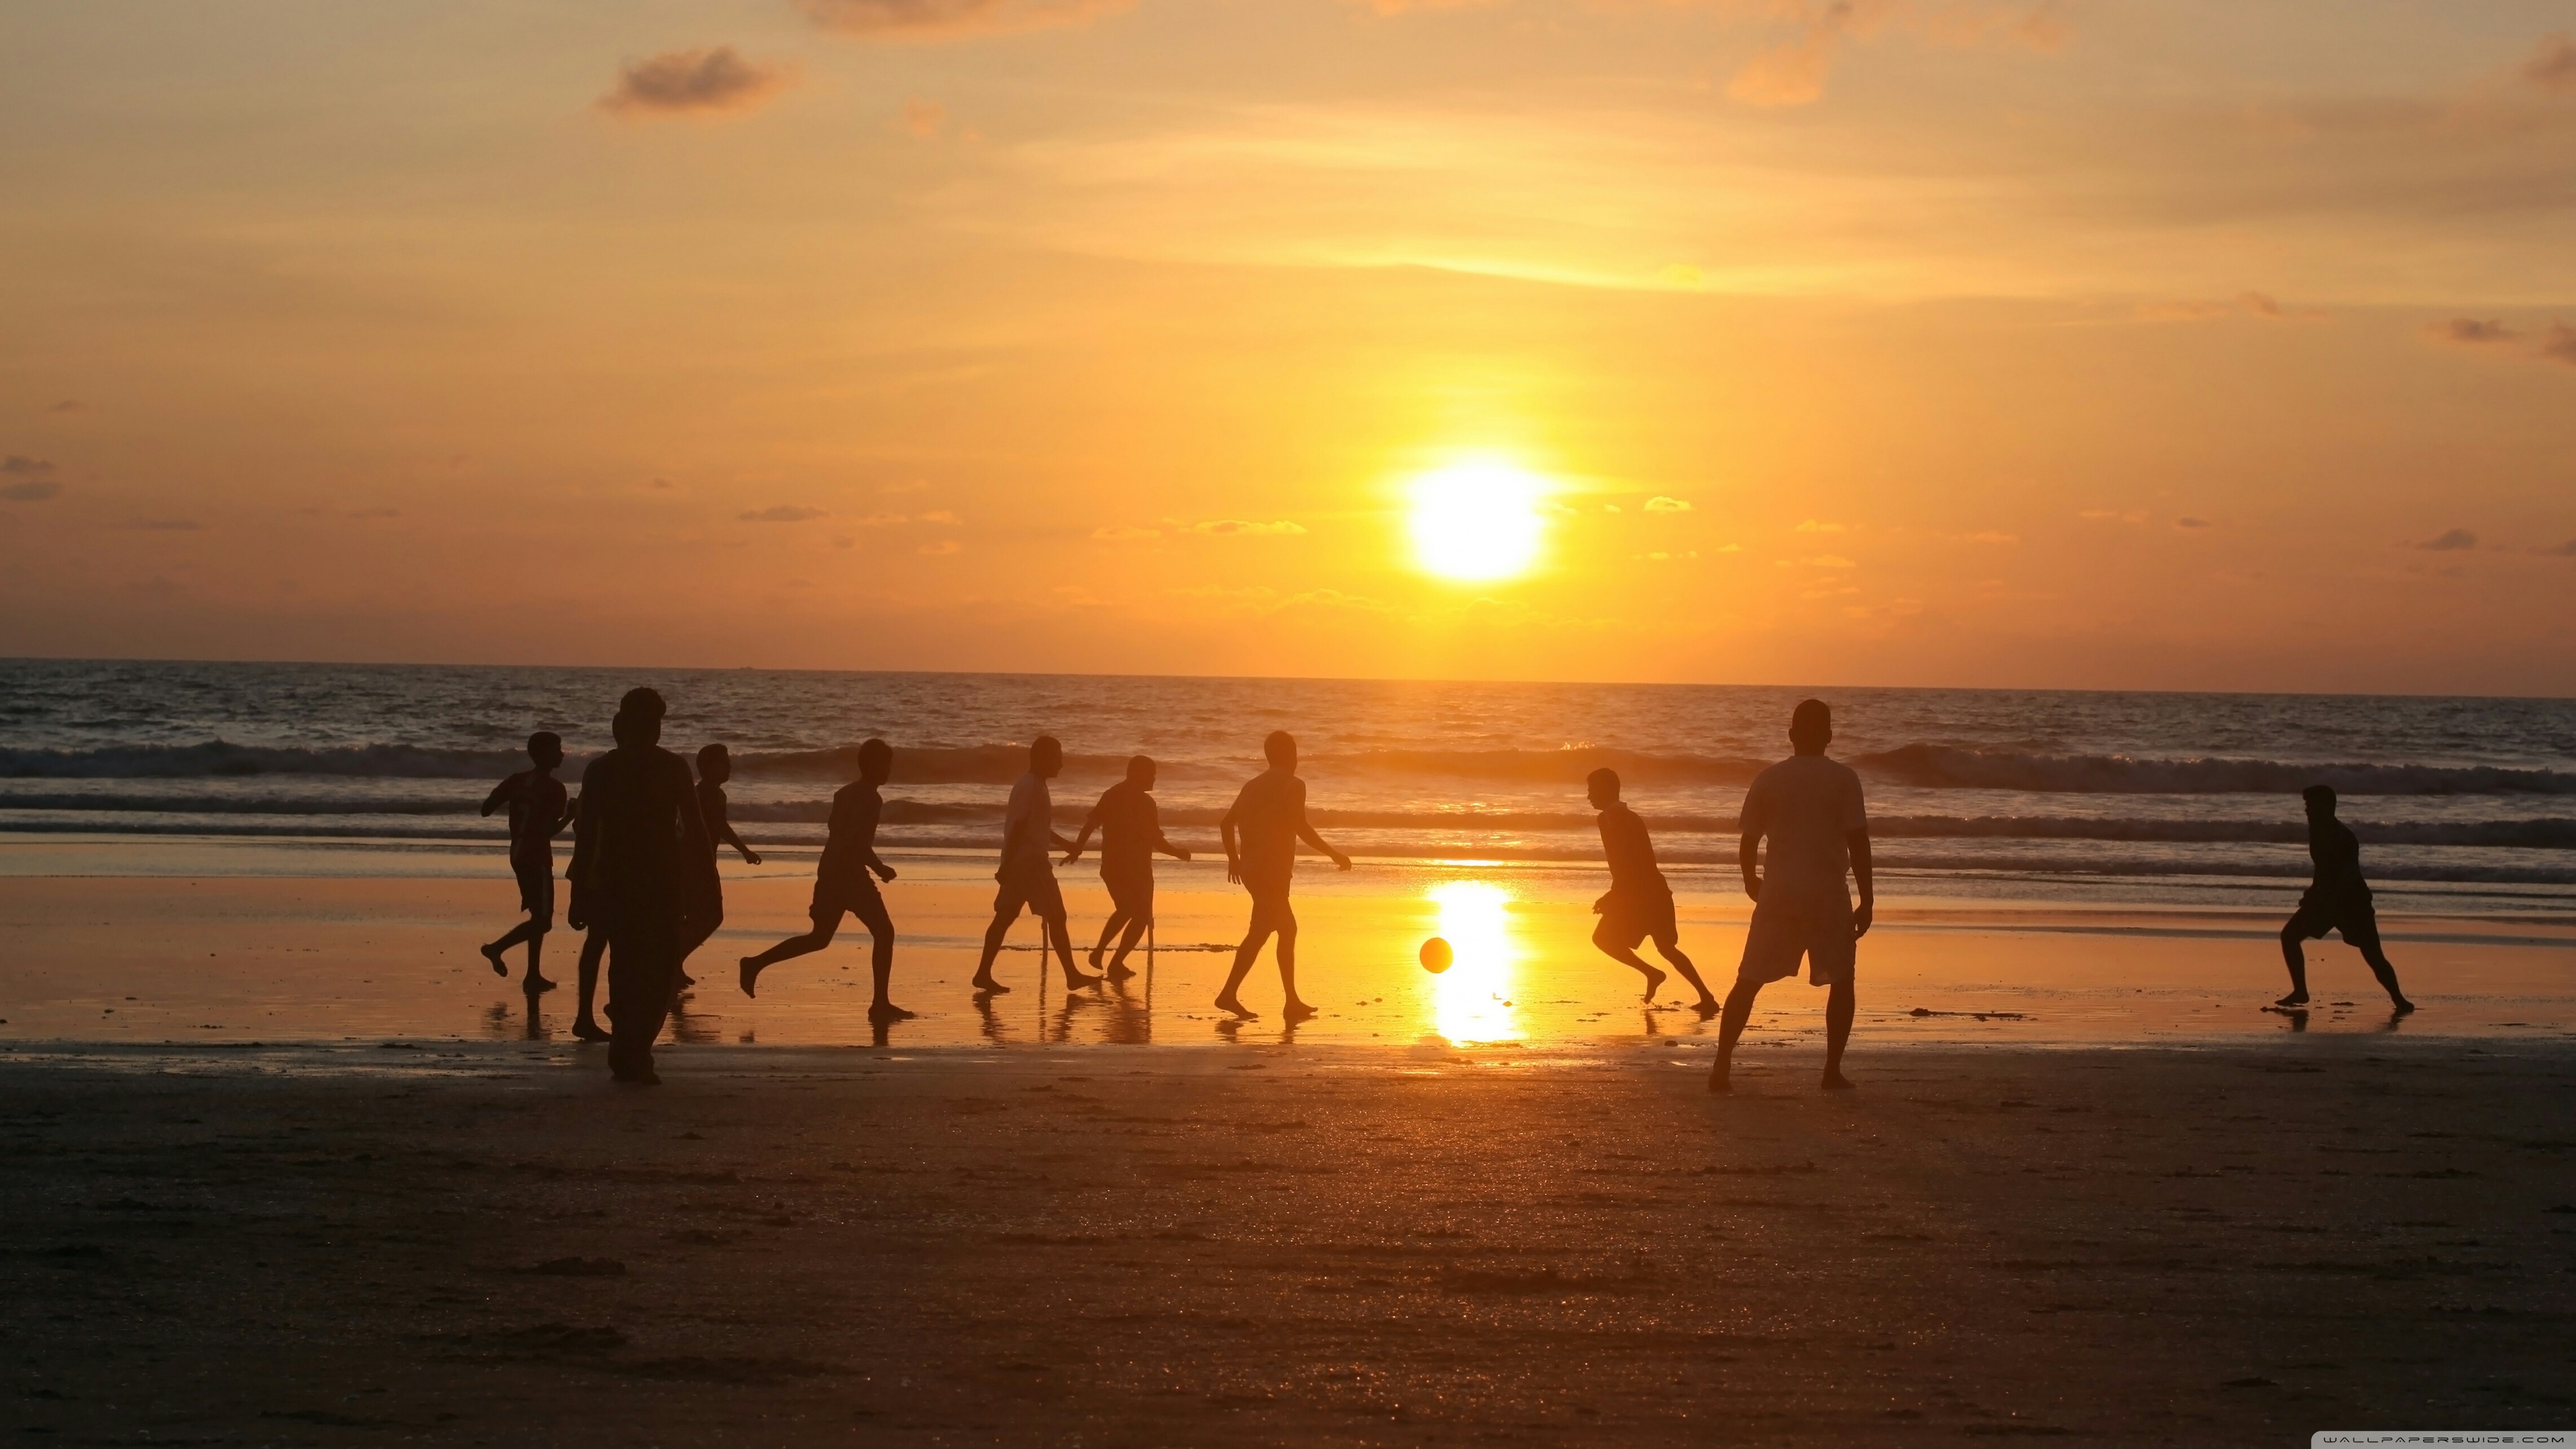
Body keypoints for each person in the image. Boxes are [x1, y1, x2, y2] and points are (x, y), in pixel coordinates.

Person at [1712, 700, 1870, 1094]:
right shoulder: (1844, 778)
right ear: (1829, 736)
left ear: (1791, 735)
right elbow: (1858, 841)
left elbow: (1749, 841)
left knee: (1748, 979)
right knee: (1842, 980)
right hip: (1826, 892)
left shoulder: (1769, 778)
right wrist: (1867, 899)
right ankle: (1831, 1071)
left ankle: (1721, 1067)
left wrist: (1751, 881)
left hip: (1779, 892)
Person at [567, 688, 712, 1085]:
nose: (654, 730)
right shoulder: (666, 768)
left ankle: (629, 1050)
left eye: (656, 722)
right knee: (652, 969)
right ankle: (633, 1051)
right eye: (651, 722)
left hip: (632, 880)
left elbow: (585, 838)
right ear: (631, 726)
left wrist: (579, 892)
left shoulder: (605, 770)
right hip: (649, 879)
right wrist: (701, 881)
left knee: (633, 966)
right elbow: (695, 833)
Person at [739, 737, 911, 1021]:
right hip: (850, 876)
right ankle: (880, 1003)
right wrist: (881, 869)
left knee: (819, 939)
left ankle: (755, 963)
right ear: (872, 765)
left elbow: (837, 834)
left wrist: (830, 876)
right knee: (884, 933)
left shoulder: (843, 793)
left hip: (830, 871)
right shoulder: (871, 798)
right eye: (886, 763)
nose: (889, 770)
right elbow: (856, 842)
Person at [1214, 731, 1350, 1021]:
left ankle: (1230, 994)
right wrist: (1334, 853)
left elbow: (1226, 824)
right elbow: (1300, 827)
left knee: (1261, 932)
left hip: (1253, 869)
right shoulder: (1293, 785)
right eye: (1295, 753)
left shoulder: (1251, 786)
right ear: (1289, 755)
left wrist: (1234, 860)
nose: (1297, 759)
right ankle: (1289, 1002)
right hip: (1272, 871)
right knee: (1286, 929)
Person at [972, 736, 1099, 995]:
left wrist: (1067, 845)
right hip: (1030, 863)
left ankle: (983, 973)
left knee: (1005, 917)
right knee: (1057, 916)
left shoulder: (1033, 785)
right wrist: (1006, 866)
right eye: (1057, 757)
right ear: (1042, 758)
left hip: (1019, 861)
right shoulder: (1031, 786)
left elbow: (1035, 826)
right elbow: (1019, 827)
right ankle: (1072, 975)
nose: (1061, 764)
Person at [1587, 767, 1718, 1011]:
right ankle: (1698, 993)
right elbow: (1627, 865)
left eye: (1592, 790)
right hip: (1646, 893)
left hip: (1643, 895)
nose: (1588, 796)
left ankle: (1662, 978)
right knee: (1665, 948)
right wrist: (1616, 894)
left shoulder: (1618, 820)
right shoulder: (1615, 818)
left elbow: (1632, 863)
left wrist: (1613, 896)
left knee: (1605, 939)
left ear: (1606, 790)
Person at [2277, 784, 2414, 1014]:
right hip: (2327, 899)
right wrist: (2313, 892)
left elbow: (2349, 875)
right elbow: (2322, 867)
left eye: (2311, 806)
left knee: (2374, 956)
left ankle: (2400, 1001)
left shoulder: (2344, 837)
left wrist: (2327, 900)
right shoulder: (2316, 830)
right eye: (2306, 806)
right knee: (2289, 936)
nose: (2307, 811)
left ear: (2327, 808)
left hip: (2353, 903)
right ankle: (2300, 991)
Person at [1062, 755, 1190, 981]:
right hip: (1126, 869)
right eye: (1151, 774)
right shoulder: (1135, 801)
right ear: (1136, 773)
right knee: (1137, 915)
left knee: (1128, 911)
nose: (1154, 779)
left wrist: (1078, 848)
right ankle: (1111, 959)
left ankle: (1105, 955)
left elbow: (1091, 825)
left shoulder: (1116, 795)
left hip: (1124, 868)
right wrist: (1179, 853)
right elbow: (1156, 841)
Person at [479, 732, 576, 992]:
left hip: (517, 851)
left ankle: (533, 975)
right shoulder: (555, 789)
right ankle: (496, 948)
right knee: (543, 921)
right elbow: (547, 832)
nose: (562, 754)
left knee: (537, 914)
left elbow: (486, 808)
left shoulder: (517, 781)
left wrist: (518, 800)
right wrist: (570, 817)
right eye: (557, 750)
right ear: (545, 755)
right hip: (537, 854)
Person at [675, 743, 761, 993]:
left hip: (691, 863)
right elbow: (719, 826)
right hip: (699, 865)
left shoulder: (698, 792)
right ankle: (674, 962)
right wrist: (745, 851)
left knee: (691, 917)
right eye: (724, 763)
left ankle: (675, 964)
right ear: (708, 768)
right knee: (712, 917)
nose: (729, 767)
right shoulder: (711, 794)